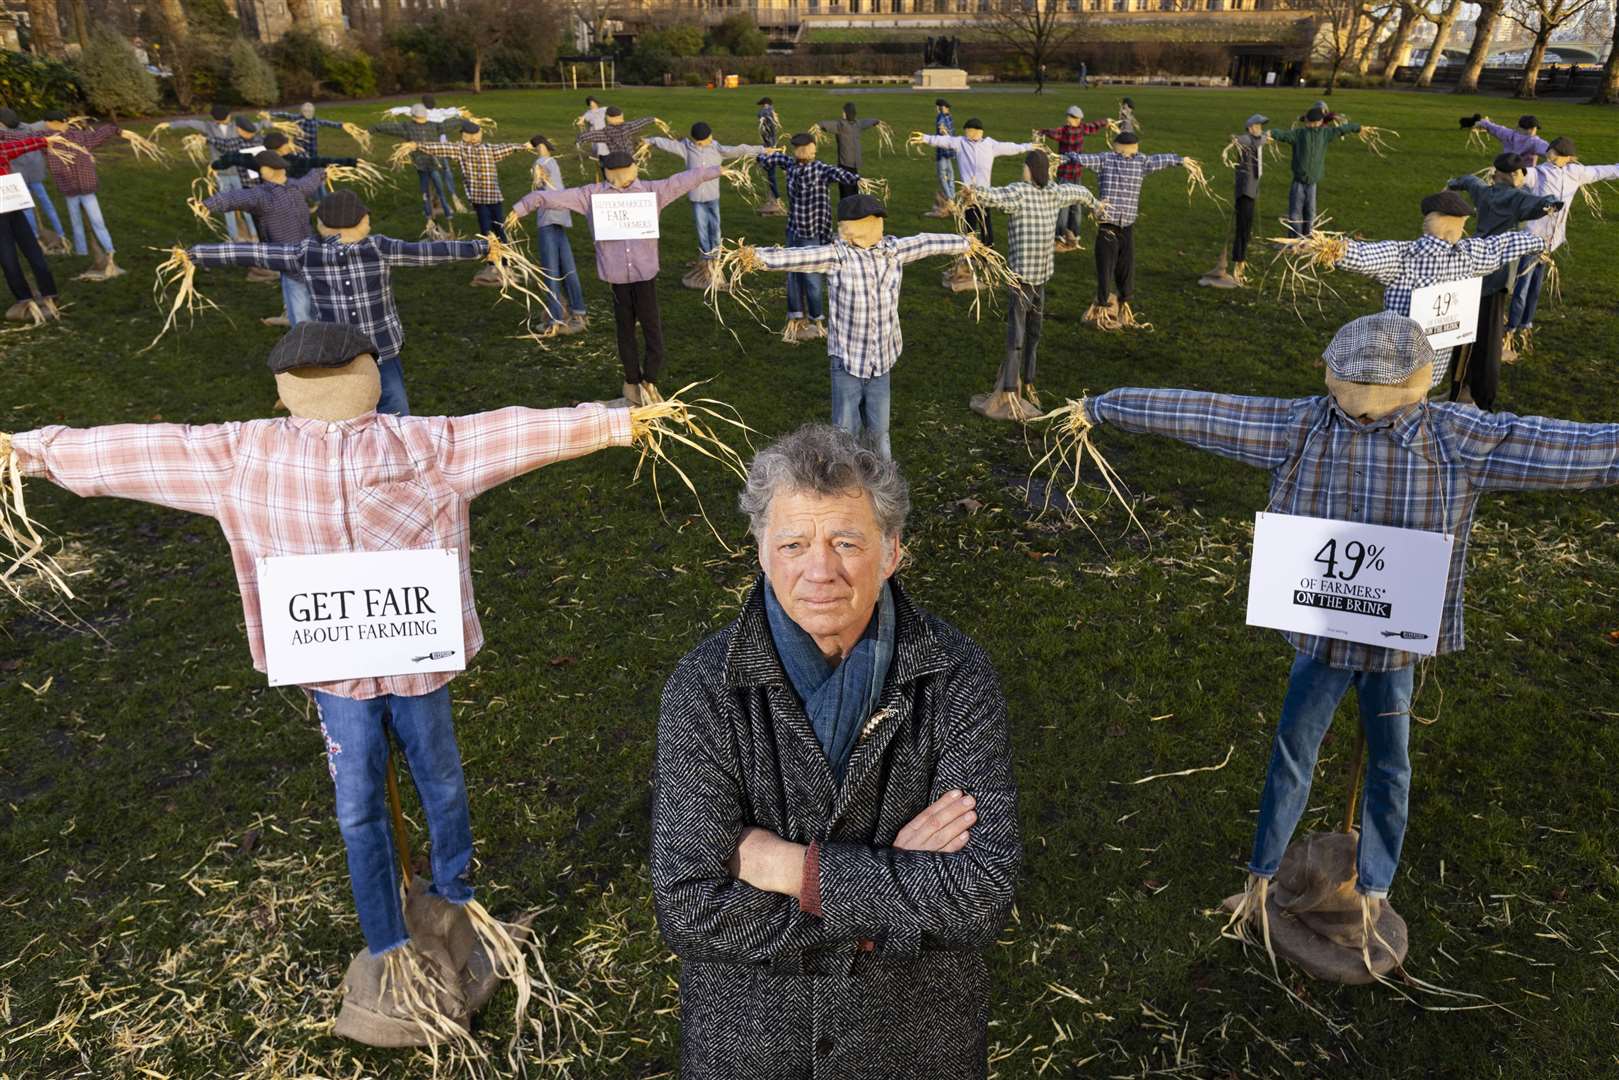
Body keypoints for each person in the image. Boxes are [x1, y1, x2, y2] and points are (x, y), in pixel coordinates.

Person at [3, 321, 644, 1050]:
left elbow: (519, 432)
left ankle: (455, 902)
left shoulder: (414, 445)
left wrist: (619, 423)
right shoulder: (246, 453)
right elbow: (137, 451)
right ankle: (388, 937)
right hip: (339, 674)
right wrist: (32, 451)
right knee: (361, 802)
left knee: (436, 782)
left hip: (415, 660)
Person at [1075, 311, 1619, 957]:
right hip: (1325, 637)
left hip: (1390, 647)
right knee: (1294, 754)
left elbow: (1575, 448)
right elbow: (1198, 411)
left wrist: (1102, 405)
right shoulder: (1301, 427)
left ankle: (1374, 889)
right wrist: (1104, 407)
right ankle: (1259, 881)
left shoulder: (1454, 435)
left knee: (1389, 762)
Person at [652, 422, 1021, 1080]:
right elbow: (688, 908)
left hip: (913, 1043)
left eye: (846, 542)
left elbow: (981, 895)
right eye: (793, 543)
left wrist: (796, 871)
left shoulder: (956, 675)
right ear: (761, 553)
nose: (819, 569)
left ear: (891, 552)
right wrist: (897, 884)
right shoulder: (704, 687)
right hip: (748, 1048)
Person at [186, 191, 492, 416]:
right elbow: (430, 252)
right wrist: (480, 248)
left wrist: (196, 253)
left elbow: (252, 254)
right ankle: (395, 453)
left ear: (322, 224)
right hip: (379, 348)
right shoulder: (379, 248)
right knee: (394, 409)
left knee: (346, 411)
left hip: (336, 352)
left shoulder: (306, 253)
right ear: (363, 222)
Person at [740, 195, 969, 459]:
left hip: (882, 362)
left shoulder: (893, 250)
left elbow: (926, 242)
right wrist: (754, 257)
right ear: (851, 228)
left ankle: (883, 484)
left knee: (880, 434)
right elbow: (799, 256)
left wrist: (965, 243)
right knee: (845, 435)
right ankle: (848, 484)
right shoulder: (838, 256)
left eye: (878, 222)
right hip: (848, 362)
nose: (876, 227)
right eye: (870, 222)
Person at [511, 150, 722, 406]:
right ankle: (632, 381)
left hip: (645, 275)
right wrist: (522, 207)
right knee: (625, 331)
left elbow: (682, 180)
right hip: (617, 277)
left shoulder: (651, 192)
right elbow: (553, 197)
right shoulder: (592, 195)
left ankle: (650, 379)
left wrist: (715, 171)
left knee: (652, 328)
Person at [1328, 190, 1545, 388]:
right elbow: (1502, 246)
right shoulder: (1469, 256)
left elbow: (1365, 256)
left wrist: (1332, 250)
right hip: (1434, 362)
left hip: (1395, 358)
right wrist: (1537, 242)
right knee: (1419, 397)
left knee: (1391, 402)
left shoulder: (1404, 256)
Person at [959, 151, 1099, 421]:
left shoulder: (1030, 192)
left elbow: (995, 195)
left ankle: (1021, 385)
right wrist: (1095, 203)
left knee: (1024, 334)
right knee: (1026, 334)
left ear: (1031, 170)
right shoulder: (1040, 192)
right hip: (1031, 278)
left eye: (1025, 166)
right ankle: (1019, 385)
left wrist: (972, 192)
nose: (1022, 170)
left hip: (1030, 279)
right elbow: (1079, 191)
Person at [1445, 154, 1560, 406]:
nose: (1522, 178)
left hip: (1471, 267)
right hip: (1495, 275)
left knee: (1464, 330)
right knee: (1489, 334)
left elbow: (1469, 181)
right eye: (1520, 174)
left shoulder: (1483, 193)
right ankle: (1482, 396)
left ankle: (1458, 387)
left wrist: (1453, 183)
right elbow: (1540, 204)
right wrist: (1553, 203)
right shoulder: (1515, 198)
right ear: (1511, 175)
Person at [1507, 136, 1619, 354]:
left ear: (1568, 157)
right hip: (1531, 240)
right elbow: (1521, 176)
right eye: (1551, 151)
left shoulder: (1576, 173)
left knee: (1536, 286)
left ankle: (1526, 326)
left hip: (1551, 243)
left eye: (1557, 153)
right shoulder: (1538, 173)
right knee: (1522, 287)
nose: (1551, 155)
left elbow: (1603, 171)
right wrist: (1510, 172)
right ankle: (1510, 330)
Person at [1067, 131, 1189, 330]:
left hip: (1127, 228)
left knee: (1126, 268)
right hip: (1108, 227)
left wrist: (1179, 160)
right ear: (1122, 147)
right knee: (1105, 268)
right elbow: (1084, 158)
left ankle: (1124, 306)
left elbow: (1159, 160)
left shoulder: (1141, 162)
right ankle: (1102, 311)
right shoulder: (1106, 160)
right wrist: (1066, 157)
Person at [202, 151, 327, 327]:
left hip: (288, 261)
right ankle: (316, 327)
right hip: (311, 255)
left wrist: (207, 204)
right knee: (312, 298)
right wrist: (321, 170)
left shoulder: (262, 195)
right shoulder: (296, 187)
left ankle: (305, 342)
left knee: (298, 308)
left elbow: (234, 198)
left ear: (267, 171)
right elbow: (312, 180)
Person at [756, 134, 859, 342]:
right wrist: (859, 179)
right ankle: (816, 322)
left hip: (794, 231)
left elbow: (765, 160)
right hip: (810, 234)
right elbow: (846, 177)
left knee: (794, 275)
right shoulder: (819, 168)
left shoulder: (790, 165)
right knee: (811, 279)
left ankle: (797, 319)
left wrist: (766, 154)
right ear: (811, 149)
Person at [645, 122, 766, 289]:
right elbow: (668, 144)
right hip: (696, 199)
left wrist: (762, 149)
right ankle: (705, 263)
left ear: (710, 136)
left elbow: (740, 149)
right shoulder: (686, 149)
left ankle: (715, 262)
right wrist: (651, 140)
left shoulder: (717, 149)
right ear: (693, 140)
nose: (702, 144)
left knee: (715, 230)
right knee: (702, 231)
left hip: (712, 198)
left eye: (706, 141)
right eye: (699, 142)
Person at [409, 120, 531, 252]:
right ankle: (499, 259)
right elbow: (508, 147)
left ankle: (499, 260)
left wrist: (417, 145)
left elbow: (439, 148)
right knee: (493, 229)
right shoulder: (475, 149)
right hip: (487, 198)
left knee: (493, 230)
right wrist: (418, 145)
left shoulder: (475, 149)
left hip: (487, 199)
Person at [518, 135, 588, 336]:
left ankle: (555, 318)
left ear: (538, 146)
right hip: (561, 215)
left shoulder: (539, 164)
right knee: (568, 266)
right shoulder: (553, 162)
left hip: (547, 218)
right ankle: (578, 311)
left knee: (550, 270)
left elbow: (540, 192)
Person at [162, 107, 262, 241]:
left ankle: (254, 233)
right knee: (227, 204)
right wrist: (170, 125)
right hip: (221, 172)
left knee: (245, 204)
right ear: (228, 116)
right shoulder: (209, 127)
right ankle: (234, 235)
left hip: (239, 171)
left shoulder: (235, 127)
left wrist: (269, 122)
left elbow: (254, 127)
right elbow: (190, 122)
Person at [369, 105, 463, 234]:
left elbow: (449, 124)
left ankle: (442, 219)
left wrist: (463, 121)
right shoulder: (415, 126)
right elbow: (389, 127)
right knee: (429, 192)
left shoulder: (430, 126)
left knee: (435, 191)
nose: (421, 120)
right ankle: (432, 219)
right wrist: (374, 128)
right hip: (423, 164)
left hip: (432, 163)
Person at [1270, 107, 1362, 237]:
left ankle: (1308, 239)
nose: (1311, 124)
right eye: (1309, 122)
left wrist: (1357, 127)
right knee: (1295, 214)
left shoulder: (1325, 134)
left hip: (1313, 182)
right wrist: (1272, 133)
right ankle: (1294, 241)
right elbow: (1284, 135)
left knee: (1311, 213)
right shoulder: (1299, 134)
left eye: (1313, 122)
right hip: (1299, 181)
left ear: (1319, 122)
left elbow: (1341, 130)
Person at [0, 130, 60, 322]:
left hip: (11, 207)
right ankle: (47, 293)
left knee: (9, 257)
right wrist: (43, 141)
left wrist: (42, 141)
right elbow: (19, 146)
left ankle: (26, 298)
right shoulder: (1, 150)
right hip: (13, 206)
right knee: (28, 251)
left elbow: (19, 146)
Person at [1034, 105, 1112, 249]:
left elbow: (1053, 133)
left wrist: (1041, 131)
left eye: (1070, 117)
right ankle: (1075, 234)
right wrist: (1106, 121)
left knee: (1063, 205)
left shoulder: (1064, 131)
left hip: (1064, 175)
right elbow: (1094, 126)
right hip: (1077, 174)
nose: (1068, 119)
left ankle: (1060, 236)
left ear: (1075, 119)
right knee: (1077, 204)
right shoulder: (1082, 128)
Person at [0, 108, 66, 252]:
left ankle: (36, 237)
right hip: (34, 172)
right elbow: (43, 125)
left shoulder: (4, 133)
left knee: (27, 207)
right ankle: (60, 234)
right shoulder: (28, 127)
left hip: (19, 175)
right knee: (46, 203)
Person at [1229, 114, 1270, 284]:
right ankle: (1238, 263)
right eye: (1258, 126)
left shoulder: (1256, 139)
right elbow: (1241, 140)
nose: (1260, 128)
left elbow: (1262, 140)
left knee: (1246, 229)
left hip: (1251, 191)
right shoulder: (1248, 139)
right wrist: (1235, 139)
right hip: (1245, 192)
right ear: (1251, 127)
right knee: (1242, 229)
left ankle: (1241, 263)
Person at [816, 102, 882, 202]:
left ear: (847, 113)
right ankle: (854, 210)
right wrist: (875, 121)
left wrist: (818, 125)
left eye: (843, 112)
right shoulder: (857, 124)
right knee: (854, 189)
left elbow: (825, 125)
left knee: (845, 192)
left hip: (844, 165)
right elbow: (866, 122)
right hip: (855, 164)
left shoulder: (841, 125)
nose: (842, 113)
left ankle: (846, 210)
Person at [1461, 113, 1548, 169]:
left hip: (1505, 170)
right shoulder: (1535, 142)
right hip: (1525, 175)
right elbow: (1549, 150)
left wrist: (1483, 123)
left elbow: (1495, 128)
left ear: (1518, 126)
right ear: (1533, 129)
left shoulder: (1508, 134)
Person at [573, 106, 656, 163]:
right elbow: (639, 123)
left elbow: (591, 135)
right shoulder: (628, 127)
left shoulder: (606, 133)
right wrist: (652, 119)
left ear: (607, 118)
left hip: (615, 163)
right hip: (630, 161)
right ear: (621, 116)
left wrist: (579, 138)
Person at [268, 102, 345, 157]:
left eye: (309, 111)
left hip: (311, 145)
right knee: (300, 157)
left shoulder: (315, 121)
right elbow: (284, 114)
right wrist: (271, 114)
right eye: (306, 111)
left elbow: (328, 123)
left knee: (312, 159)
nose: (308, 113)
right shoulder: (299, 118)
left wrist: (340, 125)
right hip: (300, 144)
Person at [926, 98, 959, 218]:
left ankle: (950, 202)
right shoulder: (949, 116)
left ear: (941, 107)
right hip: (950, 150)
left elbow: (941, 130)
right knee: (950, 176)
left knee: (942, 176)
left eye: (938, 107)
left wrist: (943, 132)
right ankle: (951, 202)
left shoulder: (940, 117)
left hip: (942, 151)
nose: (937, 109)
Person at [756, 97, 784, 215]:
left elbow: (760, 114)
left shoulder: (767, 113)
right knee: (770, 175)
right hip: (771, 147)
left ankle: (776, 201)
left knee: (771, 176)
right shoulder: (772, 114)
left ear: (766, 105)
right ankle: (773, 200)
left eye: (763, 105)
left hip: (770, 149)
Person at [578, 96, 609, 179]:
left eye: (593, 102)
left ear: (596, 103)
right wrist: (581, 121)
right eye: (590, 103)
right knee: (600, 157)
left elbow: (612, 111)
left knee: (606, 155)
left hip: (603, 135)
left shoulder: (603, 110)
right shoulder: (588, 113)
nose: (592, 105)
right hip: (595, 137)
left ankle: (609, 174)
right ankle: (605, 176)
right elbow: (583, 119)